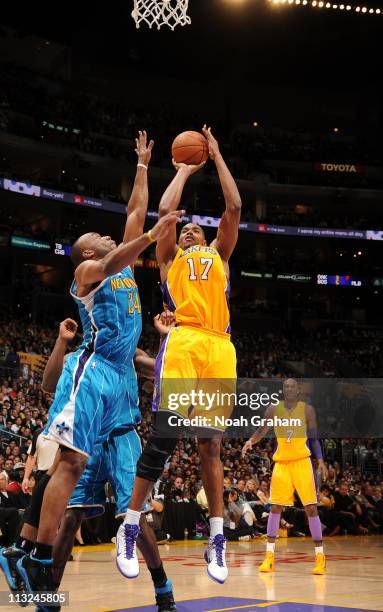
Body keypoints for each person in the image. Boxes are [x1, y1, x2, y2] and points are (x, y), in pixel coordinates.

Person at [12, 131, 184, 596]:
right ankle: (36, 561)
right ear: (88, 251)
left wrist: (144, 165)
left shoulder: (124, 265)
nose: (109, 236)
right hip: (92, 374)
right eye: (99, 237)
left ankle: (158, 585)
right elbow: (129, 239)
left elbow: (133, 210)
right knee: (68, 472)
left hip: (123, 383)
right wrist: (151, 235)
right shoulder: (87, 272)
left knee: (114, 493)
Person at [117, 125, 242, 584]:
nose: (190, 227)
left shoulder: (220, 256)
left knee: (210, 444)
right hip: (186, 339)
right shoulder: (170, 260)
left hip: (219, 346)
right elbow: (166, 210)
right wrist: (186, 170)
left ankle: (216, 537)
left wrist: (219, 155)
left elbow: (234, 207)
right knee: (165, 437)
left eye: (196, 227)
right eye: (186, 228)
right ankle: (129, 525)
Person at [242, 378, 328, 575]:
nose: (289, 388)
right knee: (275, 507)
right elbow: (262, 430)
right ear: (283, 390)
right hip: (281, 463)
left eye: (292, 386)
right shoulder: (273, 409)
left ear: (298, 390)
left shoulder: (308, 410)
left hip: (302, 462)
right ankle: (269, 557)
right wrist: (250, 441)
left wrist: (321, 460)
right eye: (285, 386)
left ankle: (320, 557)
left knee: (311, 508)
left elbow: (314, 438)